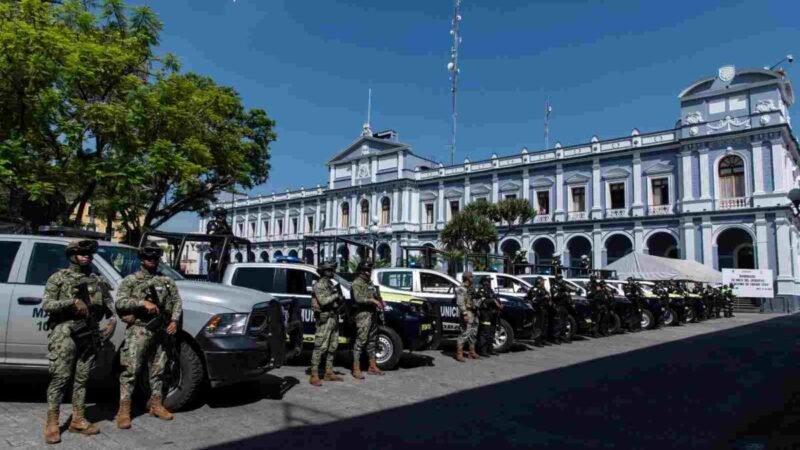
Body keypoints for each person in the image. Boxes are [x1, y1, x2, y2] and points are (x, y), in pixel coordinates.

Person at [42, 240, 116, 444]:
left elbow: (110, 309)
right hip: (66, 333)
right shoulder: (59, 278)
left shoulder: (97, 280)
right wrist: (72, 302)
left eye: (89, 254)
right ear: (72, 255)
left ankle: (78, 419)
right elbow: (47, 304)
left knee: (82, 379)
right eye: (82, 253)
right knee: (60, 378)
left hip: (90, 335)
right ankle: (52, 422)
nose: (86, 256)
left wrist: (111, 323)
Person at [115, 242, 183, 429]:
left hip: (161, 331)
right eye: (148, 257)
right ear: (142, 259)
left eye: (154, 258)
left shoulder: (166, 281)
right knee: (131, 370)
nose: (151, 261)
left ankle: (156, 405)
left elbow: (177, 302)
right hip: (139, 330)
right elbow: (120, 303)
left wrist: (174, 321)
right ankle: (124, 410)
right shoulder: (131, 280)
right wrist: (141, 303)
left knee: (159, 370)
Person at [309, 259, 344, 386]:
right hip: (324, 319)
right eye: (330, 270)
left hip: (333, 317)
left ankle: (328, 373)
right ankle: (314, 375)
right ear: (323, 271)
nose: (332, 272)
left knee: (333, 346)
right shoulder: (319, 285)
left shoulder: (330, 284)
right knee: (320, 347)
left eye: (333, 269)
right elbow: (323, 301)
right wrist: (336, 296)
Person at [351, 261, 385, 379]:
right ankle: (356, 368)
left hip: (372, 314)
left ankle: (372, 366)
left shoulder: (369, 283)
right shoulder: (357, 283)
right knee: (360, 341)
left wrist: (380, 300)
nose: (368, 272)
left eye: (369, 270)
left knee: (372, 341)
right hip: (363, 315)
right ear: (361, 271)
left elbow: (374, 294)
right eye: (366, 270)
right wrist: (373, 301)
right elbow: (358, 298)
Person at [455, 272, 479, 362]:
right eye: (471, 277)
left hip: (473, 312)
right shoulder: (461, 288)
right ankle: (459, 353)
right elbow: (460, 302)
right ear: (467, 278)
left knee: (474, 332)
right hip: (467, 312)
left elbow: (474, 299)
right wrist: (464, 313)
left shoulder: (471, 288)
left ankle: (471, 352)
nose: (473, 278)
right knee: (465, 332)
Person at [475, 277, 501, 356]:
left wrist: (500, 304)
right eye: (488, 281)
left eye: (490, 281)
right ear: (484, 282)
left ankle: (490, 349)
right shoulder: (481, 291)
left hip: (493, 314)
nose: (489, 282)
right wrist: (493, 301)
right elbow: (482, 302)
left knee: (492, 332)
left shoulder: (491, 290)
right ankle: (482, 350)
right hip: (485, 314)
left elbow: (496, 299)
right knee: (485, 332)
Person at [529, 277, 551, 346]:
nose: (543, 282)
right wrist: (543, 297)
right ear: (539, 282)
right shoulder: (534, 289)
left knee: (545, 325)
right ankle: (537, 341)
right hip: (538, 309)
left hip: (545, 309)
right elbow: (534, 300)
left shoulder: (543, 289)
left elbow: (547, 295)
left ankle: (543, 339)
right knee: (539, 325)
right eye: (542, 281)